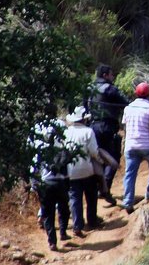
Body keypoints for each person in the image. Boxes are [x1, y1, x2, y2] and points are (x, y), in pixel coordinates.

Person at [88, 64, 129, 200]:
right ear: (105, 75)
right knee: (113, 157)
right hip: (107, 127)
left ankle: (97, 188)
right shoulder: (110, 89)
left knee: (97, 157)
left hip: (92, 127)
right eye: (111, 74)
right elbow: (125, 103)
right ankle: (105, 188)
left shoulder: (89, 89)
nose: (113, 77)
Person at [31, 120, 70, 251]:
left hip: (45, 184)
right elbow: (67, 167)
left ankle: (52, 241)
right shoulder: (61, 149)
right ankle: (63, 232)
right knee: (64, 209)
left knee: (48, 214)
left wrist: (34, 185)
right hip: (60, 183)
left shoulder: (39, 151)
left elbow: (33, 170)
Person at [122, 82, 149, 213]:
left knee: (130, 173)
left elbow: (125, 127)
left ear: (135, 93)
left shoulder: (128, 108)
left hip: (131, 145)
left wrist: (125, 142)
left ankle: (127, 202)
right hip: (147, 145)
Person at [64, 106, 104, 236]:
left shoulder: (66, 132)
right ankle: (92, 220)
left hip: (71, 170)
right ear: (84, 119)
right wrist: (100, 161)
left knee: (75, 198)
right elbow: (93, 151)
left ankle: (77, 225)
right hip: (87, 169)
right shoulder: (88, 132)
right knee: (91, 195)